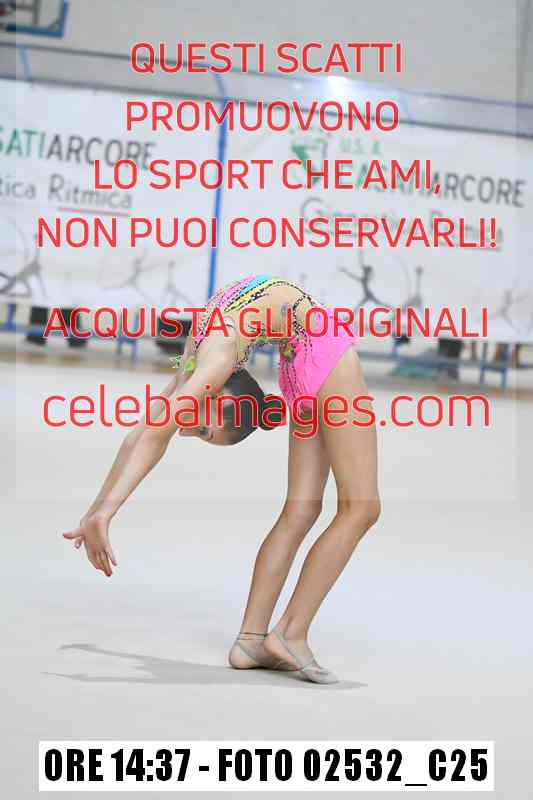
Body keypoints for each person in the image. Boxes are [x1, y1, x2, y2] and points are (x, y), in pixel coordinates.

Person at [63, 275, 380, 684]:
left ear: (217, 393)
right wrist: (96, 514)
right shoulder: (204, 362)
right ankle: (290, 634)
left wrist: (102, 514)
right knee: (361, 509)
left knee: (302, 511)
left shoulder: (204, 356)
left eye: (203, 431)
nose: (188, 430)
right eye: (203, 432)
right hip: (319, 351)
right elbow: (143, 435)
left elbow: (151, 435)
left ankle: (251, 641)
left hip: (302, 359)